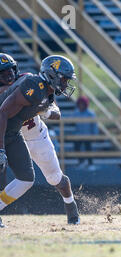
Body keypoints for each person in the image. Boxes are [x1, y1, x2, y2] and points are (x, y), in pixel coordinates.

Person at [0, 54, 80, 228]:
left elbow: (54, 109)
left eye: (10, 70)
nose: (8, 76)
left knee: (54, 177)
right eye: (3, 73)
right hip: (9, 133)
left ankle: (70, 205)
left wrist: (44, 110)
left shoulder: (29, 82)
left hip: (33, 133)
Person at [72, 95, 99, 169]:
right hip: (79, 134)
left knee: (88, 148)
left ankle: (90, 164)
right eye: (80, 104)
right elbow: (71, 122)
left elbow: (94, 125)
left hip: (88, 135)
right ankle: (81, 161)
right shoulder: (76, 113)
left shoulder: (90, 113)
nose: (81, 106)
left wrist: (94, 135)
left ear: (85, 104)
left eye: (82, 104)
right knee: (76, 147)